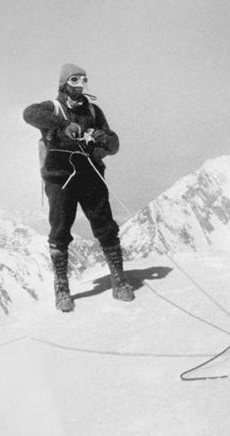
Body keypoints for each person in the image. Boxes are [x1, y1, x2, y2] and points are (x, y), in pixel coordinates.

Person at [24, 63, 134, 311]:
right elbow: (29, 114)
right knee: (60, 230)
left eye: (83, 80)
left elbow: (114, 145)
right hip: (59, 177)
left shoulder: (94, 111)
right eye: (74, 80)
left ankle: (119, 280)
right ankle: (61, 287)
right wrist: (62, 126)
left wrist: (101, 138)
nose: (80, 84)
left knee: (105, 225)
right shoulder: (52, 108)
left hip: (90, 174)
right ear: (63, 84)